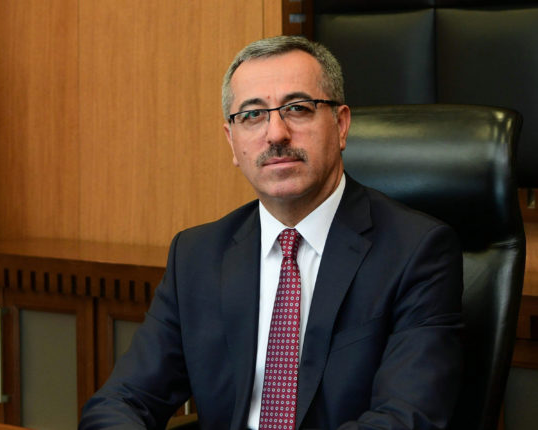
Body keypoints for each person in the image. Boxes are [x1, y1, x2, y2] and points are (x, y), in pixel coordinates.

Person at [79, 35, 463, 430]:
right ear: (232, 142)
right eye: (252, 115)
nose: (276, 133)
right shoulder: (197, 255)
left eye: (297, 109)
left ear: (341, 125)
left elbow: (404, 419)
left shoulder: (416, 251)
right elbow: (120, 401)